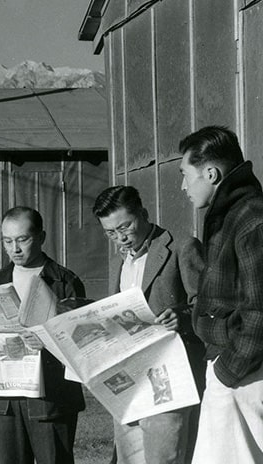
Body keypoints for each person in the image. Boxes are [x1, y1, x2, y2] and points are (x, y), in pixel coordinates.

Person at [0, 206, 87, 464]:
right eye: (7, 241)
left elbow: (80, 341)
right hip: (6, 398)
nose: (14, 249)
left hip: (51, 398)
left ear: (41, 237)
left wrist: (47, 341)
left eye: (22, 239)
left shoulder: (64, 282)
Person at [92, 185, 205, 464]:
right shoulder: (117, 261)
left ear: (143, 213)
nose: (120, 238)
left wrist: (181, 315)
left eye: (125, 227)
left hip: (169, 381)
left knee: (165, 458)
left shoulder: (182, 246)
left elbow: (209, 304)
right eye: (110, 233)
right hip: (129, 382)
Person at [179, 125, 263, 463]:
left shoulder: (250, 218)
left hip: (244, 377)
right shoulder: (230, 215)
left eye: (185, 174)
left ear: (211, 173)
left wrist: (228, 372)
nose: (182, 186)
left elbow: (260, 312)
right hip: (235, 372)